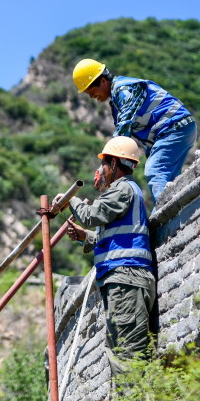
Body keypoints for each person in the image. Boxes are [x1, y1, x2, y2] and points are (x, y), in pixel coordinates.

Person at [54, 137, 155, 368]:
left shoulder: (122, 189)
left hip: (126, 277)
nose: (100, 170)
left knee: (127, 357)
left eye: (104, 164)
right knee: (122, 350)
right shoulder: (123, 192)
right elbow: (110, 237)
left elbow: (91, 215)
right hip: (123, 278)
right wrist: (84, 237)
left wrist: (70, 199)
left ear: (114, 163)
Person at [72, 58, 197, 204]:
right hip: (173, 130)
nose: (92, 96)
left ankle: (169, 213)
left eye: (91, 91)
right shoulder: (117, 100)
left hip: (174, 127)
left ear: (103, 81)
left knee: (155, 171)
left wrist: (104, 166)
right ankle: (174, 210)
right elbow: (125, 140)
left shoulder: (124, 90)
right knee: (167, 180)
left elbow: (123, 130)